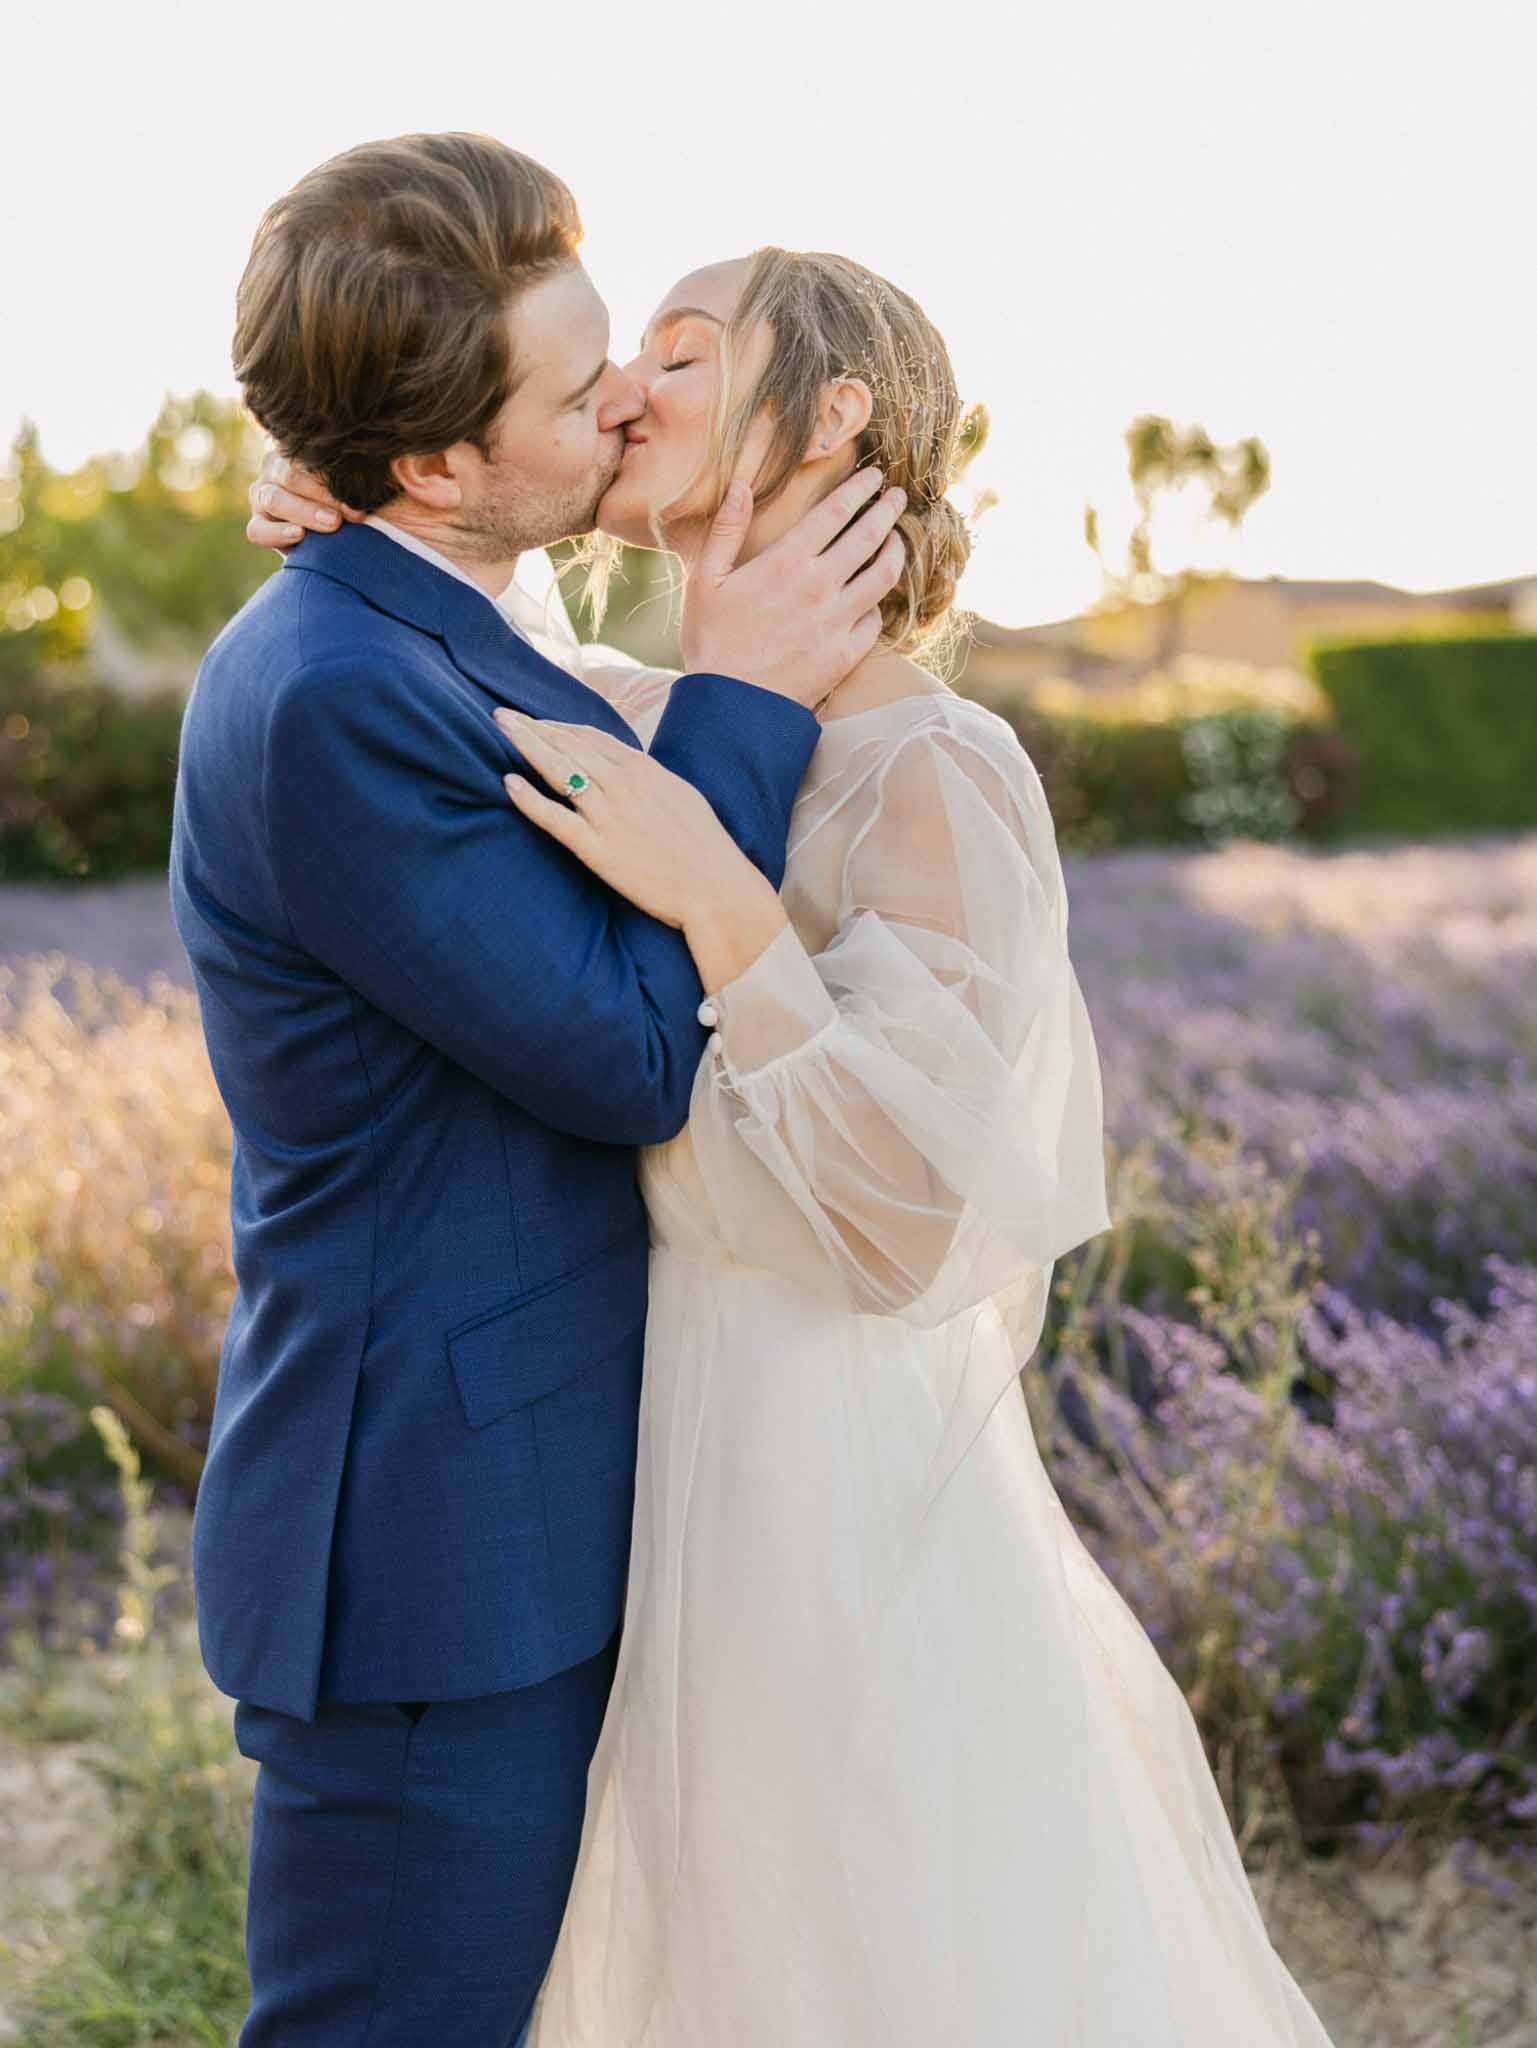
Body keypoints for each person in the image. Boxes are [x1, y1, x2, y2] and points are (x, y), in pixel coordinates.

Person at [253, 245, 1340, 2044]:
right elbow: (460, 655)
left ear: (826, 413)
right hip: (647, 1456)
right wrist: (355, 502)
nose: (625, 395)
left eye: (681, 356)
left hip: (824, 1489)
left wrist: (723, 910)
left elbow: (908, 1227)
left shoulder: (937, 766)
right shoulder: (646, 709)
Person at [173, 135, 907, 2048]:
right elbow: (629, 1057)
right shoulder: (336, 683)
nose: (625, 411)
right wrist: (736, 700)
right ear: (433, 465)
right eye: (580, 396)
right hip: (434, 1538)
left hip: (559, 1489)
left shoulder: (442, 606)